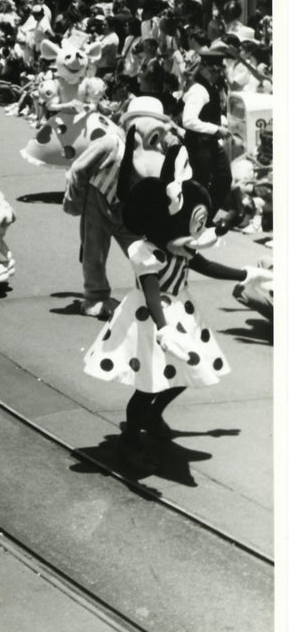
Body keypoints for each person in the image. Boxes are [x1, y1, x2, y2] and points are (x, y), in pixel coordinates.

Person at [83, 140, 272, 468]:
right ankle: (130, 439)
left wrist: (247, 273)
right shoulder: (148, 253)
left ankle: (153, 417)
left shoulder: (181, 248)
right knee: (148, 384)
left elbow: (208, 267)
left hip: (180, 312)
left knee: (189, 372)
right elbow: (151, 289)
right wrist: (163, 327)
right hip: (150, 318)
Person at [63, 97, 177, 319]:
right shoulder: (112, 143)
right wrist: (75, 202)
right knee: (94, 253)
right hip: (98, 203)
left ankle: (156, 292)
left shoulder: (158, 149)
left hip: (127, 211)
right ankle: (95, 297)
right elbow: (78, 169)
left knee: (143, 251)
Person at [180, 47, 233, 218]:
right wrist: (216, 129)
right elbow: (188, 120)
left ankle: (206, 217)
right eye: (212, 70)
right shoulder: (199, 90)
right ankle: (192, 220)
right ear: (203, 69)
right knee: (198, 184)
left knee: (224, 178)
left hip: (209, 143)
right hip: (198, 144)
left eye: (218, 71)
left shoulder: (211, 86)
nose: (216, 74)